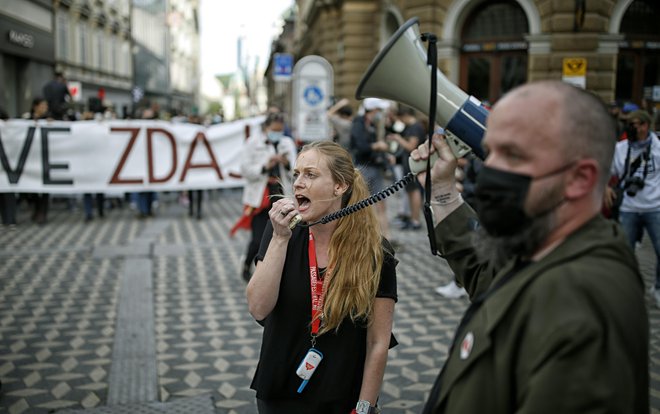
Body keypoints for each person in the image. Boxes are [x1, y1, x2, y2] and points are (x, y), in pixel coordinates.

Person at [411, 80, 648, 413]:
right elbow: (487, 278)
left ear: (580, 178)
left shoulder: (579, 300)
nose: (490, 168)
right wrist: (443, 190)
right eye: (490, 151)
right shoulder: (547, 246)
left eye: (514, 155)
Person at [246, 141, 397, 413]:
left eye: (310, 175)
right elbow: (258, 308)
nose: (298, 184)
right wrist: (280, 240)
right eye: (296, 175)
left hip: (342, 398)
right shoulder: (281, 233)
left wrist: (364, 407)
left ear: (340, 186)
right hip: (279, 394)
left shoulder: (374, 251)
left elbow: (378, 342)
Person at [235, 112, 297, 282]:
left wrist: (286, 164)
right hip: (260, 197)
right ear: (266, 128)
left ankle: (273, 271)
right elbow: (245, 170)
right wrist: (265, 166)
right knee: (258, 238)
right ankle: (247, 263)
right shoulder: (253, 143)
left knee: (283, 235)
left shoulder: (286, 143)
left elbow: (296, 170)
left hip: (281, 194)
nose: (277, 133)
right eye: (273, 130)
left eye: (280, 130)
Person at [608, 109, 660, 307]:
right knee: (624, 252)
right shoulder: (621, 148)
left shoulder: (658, 148)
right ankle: (624, 289)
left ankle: (658, 288)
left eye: (638, 124)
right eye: (631, 124)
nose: (634, 128)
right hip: (628, 208)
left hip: (654, 207)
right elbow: (607, 171)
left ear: (647, 126)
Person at [351, 98, 393, 239]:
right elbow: (360, 146)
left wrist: (385, 156)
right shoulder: (358, 124)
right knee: (361, 204)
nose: (380, 113)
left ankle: (385, 237)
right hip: (363, 167)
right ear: (373, 110)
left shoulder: (373, 125)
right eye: (379, 110)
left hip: (375, 167)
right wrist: (377, 146)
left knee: (381, 203)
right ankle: (361, 236)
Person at [387, 105, 425, 230]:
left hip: (413, 166)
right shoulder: (412, 127)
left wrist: (398, 139)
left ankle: (415, 220)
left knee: (414, 191)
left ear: (405, 116)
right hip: (409, 165)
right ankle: (411, 217)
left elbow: (410, 147)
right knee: (410, 191)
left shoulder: (415, 127)